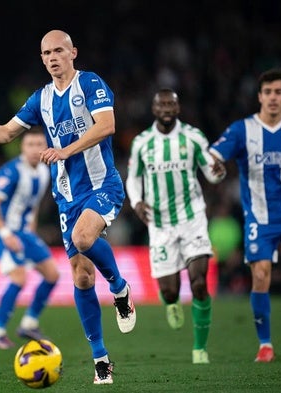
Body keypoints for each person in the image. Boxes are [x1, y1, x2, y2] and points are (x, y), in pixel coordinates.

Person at [0, 29, 136, 384]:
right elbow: (6, 133)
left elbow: (108, 125)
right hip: (67, 196)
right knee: (81, 276)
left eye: (58, 51)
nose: (52, 57)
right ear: (42, 59)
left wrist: (65, 150)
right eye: (46, 53)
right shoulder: (40, 99)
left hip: (102, 184)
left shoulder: (91, 84)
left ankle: (118, 287)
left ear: (73, 53)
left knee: (85, 238)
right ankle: (101, 359)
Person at [210, 68, 281, 363]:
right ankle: (265, 345)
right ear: (260, 96)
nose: (273, 97)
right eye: (268, 92)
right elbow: (213, 156)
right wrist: (216, 166)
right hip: (260, 219)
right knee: (261, 274)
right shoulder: (242, 130)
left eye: (279, 92)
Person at [125, 88, 226, 364]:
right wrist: (136, 202)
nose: (167, 108)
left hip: (192, 218)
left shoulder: (193, 137)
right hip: (159, 224)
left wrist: (219, 173)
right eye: (162, 105)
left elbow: (211, 171)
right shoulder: (143, 142)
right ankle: (170, 302)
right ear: (154, 109)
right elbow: (133, 178)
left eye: (171, 104)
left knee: (198, 283)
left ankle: (199, 348)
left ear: (178, 109)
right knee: (170, 291)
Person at [0, 127, 59, 349]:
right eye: (30, 145)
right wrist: (6, 234)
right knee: (19, 278)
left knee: (52, 274)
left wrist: (30, 231)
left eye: (39, 145)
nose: (35, 149)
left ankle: (29, 323)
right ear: (22, 147)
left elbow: (32, 207)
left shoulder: (44, 171)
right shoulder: (11, 172)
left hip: (24, 232)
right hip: (1, 231)